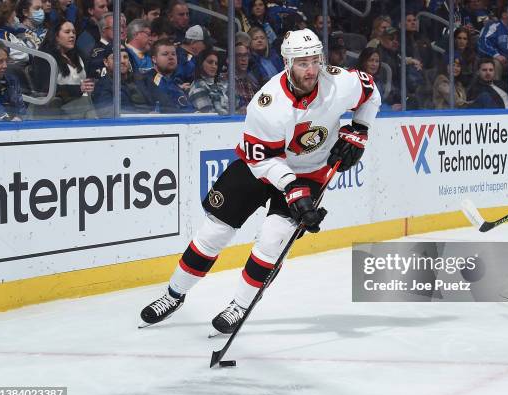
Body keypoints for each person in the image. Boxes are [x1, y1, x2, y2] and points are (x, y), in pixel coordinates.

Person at [139, 28, 381, 335]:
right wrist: (292, 188)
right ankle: (173, 295)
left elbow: (371, 93)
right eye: (302, 63)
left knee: (272, 239)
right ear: (287, 63)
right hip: (261, 166)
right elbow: (262, 159)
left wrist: (360, 130)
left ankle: (239, 305)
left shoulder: (340, 83)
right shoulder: (267, 105)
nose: (311, 70)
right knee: (214, 231)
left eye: (314, 61)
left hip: (311, 170)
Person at [137, 38, 192, 113]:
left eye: (173, 54)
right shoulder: (148, 81)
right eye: (165, 54)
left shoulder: (174, 82)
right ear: (154, 59)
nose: (171, 57)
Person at [0, 41, 26, 121]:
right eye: (0, 61)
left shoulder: (12, 81)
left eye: (6, 61)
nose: (5, 66)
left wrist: (18, 117)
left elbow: (21, 111)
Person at [188, 49, 229, 114]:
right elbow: (208, 115)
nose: (214, 66)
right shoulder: (198, 87)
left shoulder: (220, 85)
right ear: (201, 64)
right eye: (210, 62)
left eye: (216, 63)